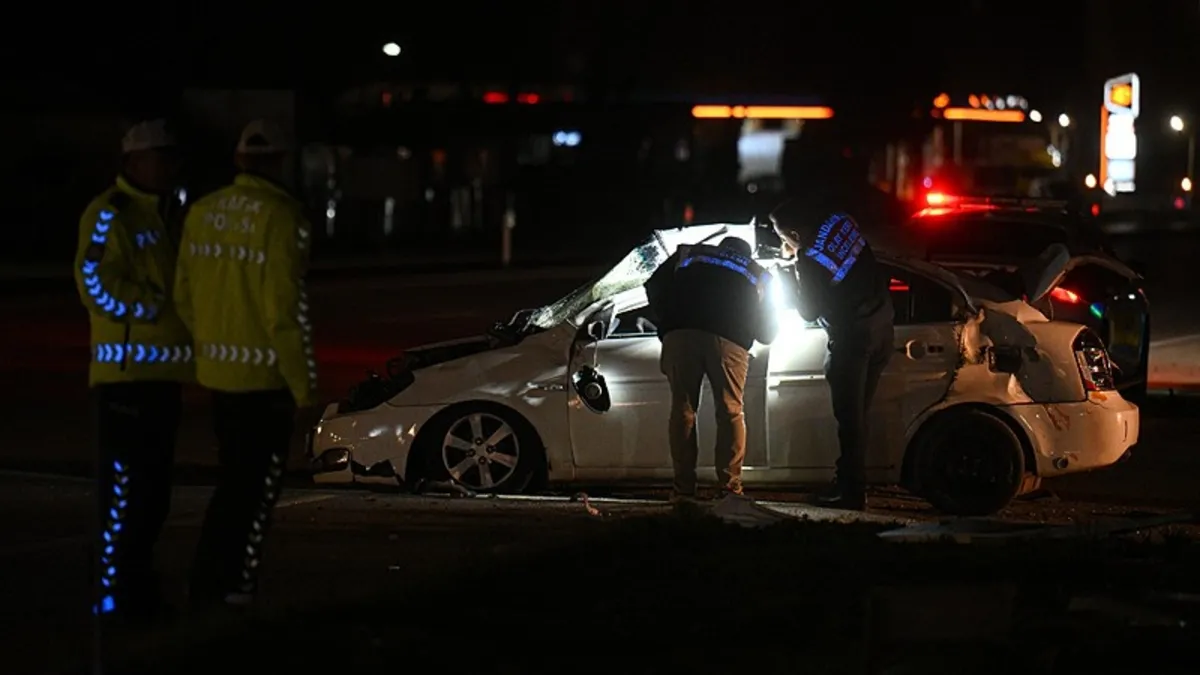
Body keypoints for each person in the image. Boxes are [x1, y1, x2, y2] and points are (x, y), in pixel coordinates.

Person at [174, 119, 316, 608]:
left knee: (231, 483)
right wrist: (304, 387)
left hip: (219, 376)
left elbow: (184, 296)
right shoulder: (283, 216)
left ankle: (209, 579)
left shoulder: (202, 212)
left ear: (238, 160)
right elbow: (285, 312)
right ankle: (235, 585)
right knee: (256, 495)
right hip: (266, 381)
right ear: (280, 161)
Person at [74, 119, 194, 621]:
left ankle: (136, 591)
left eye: (171, 156)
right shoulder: (111, 213)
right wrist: (146, 306)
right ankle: (113, 598)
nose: (167, 166)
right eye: (157, 157)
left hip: (162, 380)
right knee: (125, 499)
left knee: (152, 499)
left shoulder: (165, 215)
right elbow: (92, 279)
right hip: (125, 381)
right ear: (132, 163)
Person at [771, 201, 894, 510]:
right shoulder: (841, 221)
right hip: (882, 326)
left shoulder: (809, 261)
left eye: (782, 237)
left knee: (849, 421)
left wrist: (792, 271)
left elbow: (808, 311)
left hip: (853, 339)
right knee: (858, 417)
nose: (781, 243)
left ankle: (851, 493)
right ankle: (850, 482)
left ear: (795, 233)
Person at [644, 236, 778, 501]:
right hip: (727, 339)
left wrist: (669, 317)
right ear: (747, 254)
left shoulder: (690, 253)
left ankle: (683, 489)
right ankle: (730, 488)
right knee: (730, 411)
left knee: (683, 410)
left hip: (680, 334)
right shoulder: (756, 272)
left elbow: (653, 284)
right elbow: (768, 332)